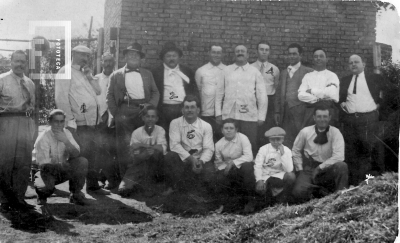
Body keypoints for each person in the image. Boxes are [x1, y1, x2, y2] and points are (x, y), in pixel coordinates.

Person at [55, 45, 110, 195]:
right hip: (77, 122)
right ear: (73, 54)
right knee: (79, 156)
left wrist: (89, 77)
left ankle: (92, 186)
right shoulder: (65, 71)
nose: (84, 59)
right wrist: (69, 120)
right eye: (81, 55)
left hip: (92, 122)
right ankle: (76, 191)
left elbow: (98, 92)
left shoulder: (85, 73)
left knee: (92, 154)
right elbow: (61, 98)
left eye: (87, 56)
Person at [106, 42, 160, 181]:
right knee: (125, 146)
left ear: (140, 58)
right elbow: (109, 96)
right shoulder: (116, 75)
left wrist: (150, 107)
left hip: (143, 111)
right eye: (130, 54)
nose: (133, 56)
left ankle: (142, 179)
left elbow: (155, 93)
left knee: (144, 143)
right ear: (125, 57)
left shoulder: (147, 74)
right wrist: (117, 114)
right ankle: (126, 179)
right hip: (124, 111)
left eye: (136, 54)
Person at [338, 54, 394, 184]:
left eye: (356, 62)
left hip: (368, 120)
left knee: (369, 152)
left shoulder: (374, 78)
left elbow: (391, 91)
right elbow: (339, 97)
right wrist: (341, 103)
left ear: (364, 64)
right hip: (350, 121)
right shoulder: (345, 80)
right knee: (351, 153)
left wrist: (380, 104)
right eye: (351, 62)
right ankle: (354, 184)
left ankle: (369, 184)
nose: (353, 64)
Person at [0, 50, 36, 211]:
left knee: (23, 162)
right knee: (5, 162)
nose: (20, 64)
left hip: (25, 122)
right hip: (6, 123)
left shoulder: (30, 83)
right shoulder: (2, 80)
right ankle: (4, 200)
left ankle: (19, 198)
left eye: (23, 61)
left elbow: (33, 106)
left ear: (26, 63)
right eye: (17, 61)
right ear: (11, 62)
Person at [215, 45, 267, 155]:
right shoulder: (226, 70)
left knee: (250, 142)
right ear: (234, 55)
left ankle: (249, 168)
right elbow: (219, 93)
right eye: (237, 51)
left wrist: (261, 116)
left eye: (243, 51)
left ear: (247, 55)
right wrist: (218, 113)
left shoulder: (254, 72)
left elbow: (262, 95)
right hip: (230, 115)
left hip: (249, 115)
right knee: (230, 144)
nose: (240, 53)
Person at [291, 105, 348, 202]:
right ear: (314, 118)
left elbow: (339, 156)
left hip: (328, 169)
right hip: (310, 169)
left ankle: (340, 200)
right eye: (319, 116)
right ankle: (321, 193)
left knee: (342, 166)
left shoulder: (335, 132)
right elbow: (295, 150)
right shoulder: (305, 132)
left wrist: (320, 167)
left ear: (329, 118)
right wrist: (300, 169)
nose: (322, 120)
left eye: (325, 116)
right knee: (298, 192)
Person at [33, 109, 88, 206]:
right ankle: (41, 196)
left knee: (82, 162)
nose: (59, 124)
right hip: (45, 171)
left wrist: (66, 141)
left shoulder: (66, 133)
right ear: (49, 122)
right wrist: (62, 166)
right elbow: (44, 165)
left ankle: (75, 194)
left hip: (61, 169)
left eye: (62, 121)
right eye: (56, 121)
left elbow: (76, 153)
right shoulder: (43, 137)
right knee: (45, 188)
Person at [163, 95, 214, 195]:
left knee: (210, 171)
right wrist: (190, 159)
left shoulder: (206, 126)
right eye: (187, 107)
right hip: (183, 159)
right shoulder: (175, 123)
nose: (189, 110)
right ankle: (174, 187)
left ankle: (200, 192)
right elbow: (174, 145)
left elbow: (208, 148)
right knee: (170, 156)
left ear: (198, 110)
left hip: (199, 160)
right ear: (182, 110)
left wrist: (201, 162)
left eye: (192, 107)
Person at [152, 42, 199, 137]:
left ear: (179, 57)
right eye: (168, 56)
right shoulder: (156, 72)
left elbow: (194, 90)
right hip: (163, 110)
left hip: (182, 109)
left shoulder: (187, 71)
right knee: (165, 134)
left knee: (183, 134)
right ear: (163, 58)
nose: (171, 58)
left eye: (174, 56)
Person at [118, 106, 167, 197]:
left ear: (157, 118)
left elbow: (161, 148)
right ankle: (138, 183)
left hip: (155, 163)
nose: (150, 119)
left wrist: (145, 147)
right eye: (148, 116)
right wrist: (147, 149)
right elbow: (134, 153)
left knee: (156, 156)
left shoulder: (160, 130)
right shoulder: (137, 132)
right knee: (123, 190)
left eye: (153, 117)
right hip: (139, 164)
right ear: (143, 118)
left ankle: (149, 183)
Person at [274, 43, 313, 148]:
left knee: (302, 139)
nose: (291, 56)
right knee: (286, 139)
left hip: (301, 112)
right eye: (290, 54)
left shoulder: (308, 72)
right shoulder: (283, 73)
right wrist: (277, 111)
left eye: (294, 54)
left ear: (300, 55)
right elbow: (278, 94)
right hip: (285, 112)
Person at [214, 119, 255, 212]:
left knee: (247, 167)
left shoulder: (243, 138)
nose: (228, 130)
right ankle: (224, 205)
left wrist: (233, 163)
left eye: (231, 128)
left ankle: (250, 202)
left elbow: (249, 156)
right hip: (228, 169)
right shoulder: (218, 144)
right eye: (226, 128)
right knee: (219, 177)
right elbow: (218, 163)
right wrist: (224, 170)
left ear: (236, 130)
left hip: (242, 166)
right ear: (222, 130)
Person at [94, 52, 119, 190]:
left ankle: (112, 178)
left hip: (115, 118)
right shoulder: (96, 78)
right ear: (102, 62)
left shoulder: (119, 77)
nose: (108, 64)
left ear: (114, 62)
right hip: (99, 118)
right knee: (100, 148)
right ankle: (101, 178)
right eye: (106, 61)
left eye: (111, 61)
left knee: (113, 149)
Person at [298, 48, 339, 127]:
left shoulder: (332, 75)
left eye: (321, 56)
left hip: (328, 111)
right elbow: (301, 95)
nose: (318, 58)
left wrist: (312, 91)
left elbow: (331, 93)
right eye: (316, 56)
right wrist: (318, 99)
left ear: (326, 59)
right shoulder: (308, 76)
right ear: (313, 59)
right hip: (311, 113)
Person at [254, 127, 296, 204]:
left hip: (279, 174)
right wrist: (259, 180)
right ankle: (264, 205)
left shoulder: (287, 150)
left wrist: (283, 154)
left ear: (283, 139)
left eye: (278, 139)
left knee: (291, 176)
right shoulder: (263, 149)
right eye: (273, 139)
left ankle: (283, 201)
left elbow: (289, 169)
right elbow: (258, 165)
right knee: (260, 189)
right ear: (269, 140)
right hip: (266, 174)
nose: (276, 142)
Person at [251, 41, 280, 145]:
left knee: (267, 130)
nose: (264, 52)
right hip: (254, 101)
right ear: (256, 51)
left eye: (266, 50)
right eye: (261, 49)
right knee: (254, 129)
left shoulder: (274, 69)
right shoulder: (250, 68)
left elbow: (276, 89)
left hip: (269, 101)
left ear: (269, 52)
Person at [195, 45, 226, 141]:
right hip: (206, 113)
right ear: (209, 53)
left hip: (223, 114)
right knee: (206, 139)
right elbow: (198, 91)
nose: (216, 55)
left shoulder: (227, 70)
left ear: (222, 54)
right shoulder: (201, 71)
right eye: (214, 52)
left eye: (219, 53)